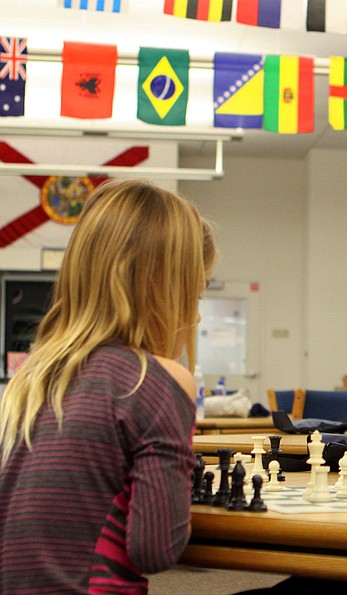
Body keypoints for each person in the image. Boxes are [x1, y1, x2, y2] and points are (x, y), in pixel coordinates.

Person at [0, 179, 216, 594]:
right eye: (196, 294)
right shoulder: (154, 379)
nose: (197, 317)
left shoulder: (35, 378)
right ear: (164, 288)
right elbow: (156, 548)